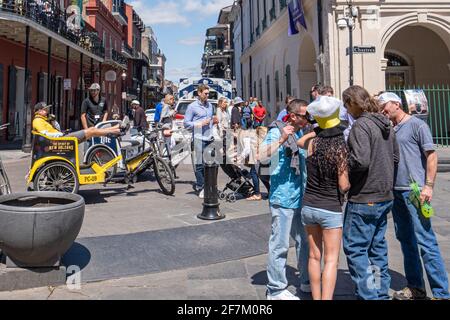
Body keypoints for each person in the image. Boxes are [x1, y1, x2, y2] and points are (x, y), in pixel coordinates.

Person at [379, 92, 450, 300]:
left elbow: (432, 156)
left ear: (396, 103)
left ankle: (441, 293)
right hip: (397, 191)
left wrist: (428, 186)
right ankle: (416, 287)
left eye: (384, 105)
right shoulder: (390, 128)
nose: (382, 109)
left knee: (426, 241)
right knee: (405, 240)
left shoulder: (418, 126)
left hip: (415, 191)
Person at [341, 85, 399, 300]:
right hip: (384, 195)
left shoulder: (361, 126)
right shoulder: (386, 124)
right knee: (376, 248)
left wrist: (342, 163)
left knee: (356, 250)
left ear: (352, 103)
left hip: (364, 196)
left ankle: (369, 295)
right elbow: (395, 158)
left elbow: (360, 161)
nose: (347, 110)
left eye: (347, 105)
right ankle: (379, 292)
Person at [297, 96, 350, 300]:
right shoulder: (340, 149)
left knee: (313, 255)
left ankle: (316, 297)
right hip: (330, 208)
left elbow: (300, 141)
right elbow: (343, 184)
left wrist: (316, 128)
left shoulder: (312, 143)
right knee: (330, 260)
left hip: (309, 205)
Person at [259, 99, 310, 300]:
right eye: (305, 115)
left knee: (303, 241)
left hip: (300, 195)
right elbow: (261, 156)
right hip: (282, 196)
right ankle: (276, 288)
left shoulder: (300, 133)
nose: (308, 119)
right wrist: (280, 140)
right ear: (294, 116)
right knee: (279, 243)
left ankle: (306, 279)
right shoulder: (277, 131)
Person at [184, 84, 218, 198]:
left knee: (211, 163)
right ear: (199, 93)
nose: (207, 96)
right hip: (199, 138)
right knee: (199, 164)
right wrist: (200, 124)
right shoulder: (192, 107)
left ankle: (210, 186)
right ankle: (201, 187)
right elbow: (186, 123)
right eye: (205, 93)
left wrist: (214, 122)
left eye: (208, 93)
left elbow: (211, 119)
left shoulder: (210, 106)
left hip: (209, 137)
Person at [32, 102, 120, 141]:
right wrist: (61, 134)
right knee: (92, 130)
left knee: (92, 129)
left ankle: (115, 128)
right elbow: (46, 134)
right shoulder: (37, 121)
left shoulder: (45, 120)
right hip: (61, 139)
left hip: (61, 138)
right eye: (45, 109)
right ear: (38, 111)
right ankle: (116, 130)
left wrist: (54, 121)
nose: (47, 111)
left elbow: (57, 129)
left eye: (47, 109)